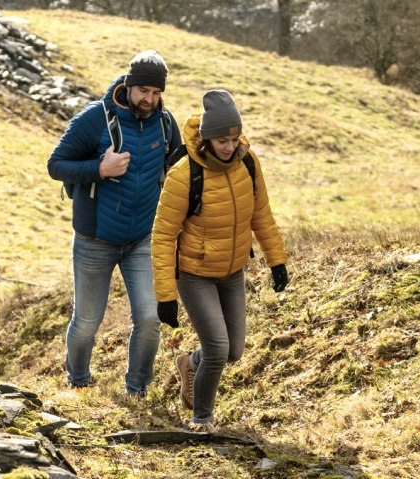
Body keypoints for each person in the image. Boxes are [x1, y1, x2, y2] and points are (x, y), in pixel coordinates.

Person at [47, 50, 182, 395]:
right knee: (87, 323)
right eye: (143, 92)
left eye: (156, 93)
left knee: (150, 319)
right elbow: (56, 164)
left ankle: (137, 390)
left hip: (142, 238)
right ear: (129, 85)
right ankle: (79, 383)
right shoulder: (94, 118)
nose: (149, 100)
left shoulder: (166, 124)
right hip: (95, 239)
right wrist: (99, 169)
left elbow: (181, 172)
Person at [151, 89, 288, 426]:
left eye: (234, 137)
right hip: (194, 274)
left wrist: (277, 261)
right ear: (208, 139)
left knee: (233, 351)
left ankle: (189, 363)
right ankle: (202, 420)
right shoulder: (184, 174)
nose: (229, 146)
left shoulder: (248, 163)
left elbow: (262, 215)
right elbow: (163, 236)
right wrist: (166, 296)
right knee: (217, 350)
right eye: (222, 140)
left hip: (232, 270)